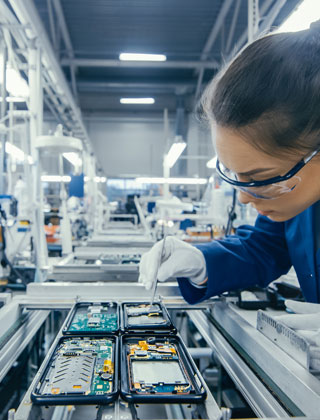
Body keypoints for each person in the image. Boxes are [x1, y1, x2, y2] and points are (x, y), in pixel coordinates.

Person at [139, 22, 320, 367]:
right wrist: (201, 262)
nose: (246, 198)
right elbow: (265, 248)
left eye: (260, 179)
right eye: (235, 176)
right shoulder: (299, 201)